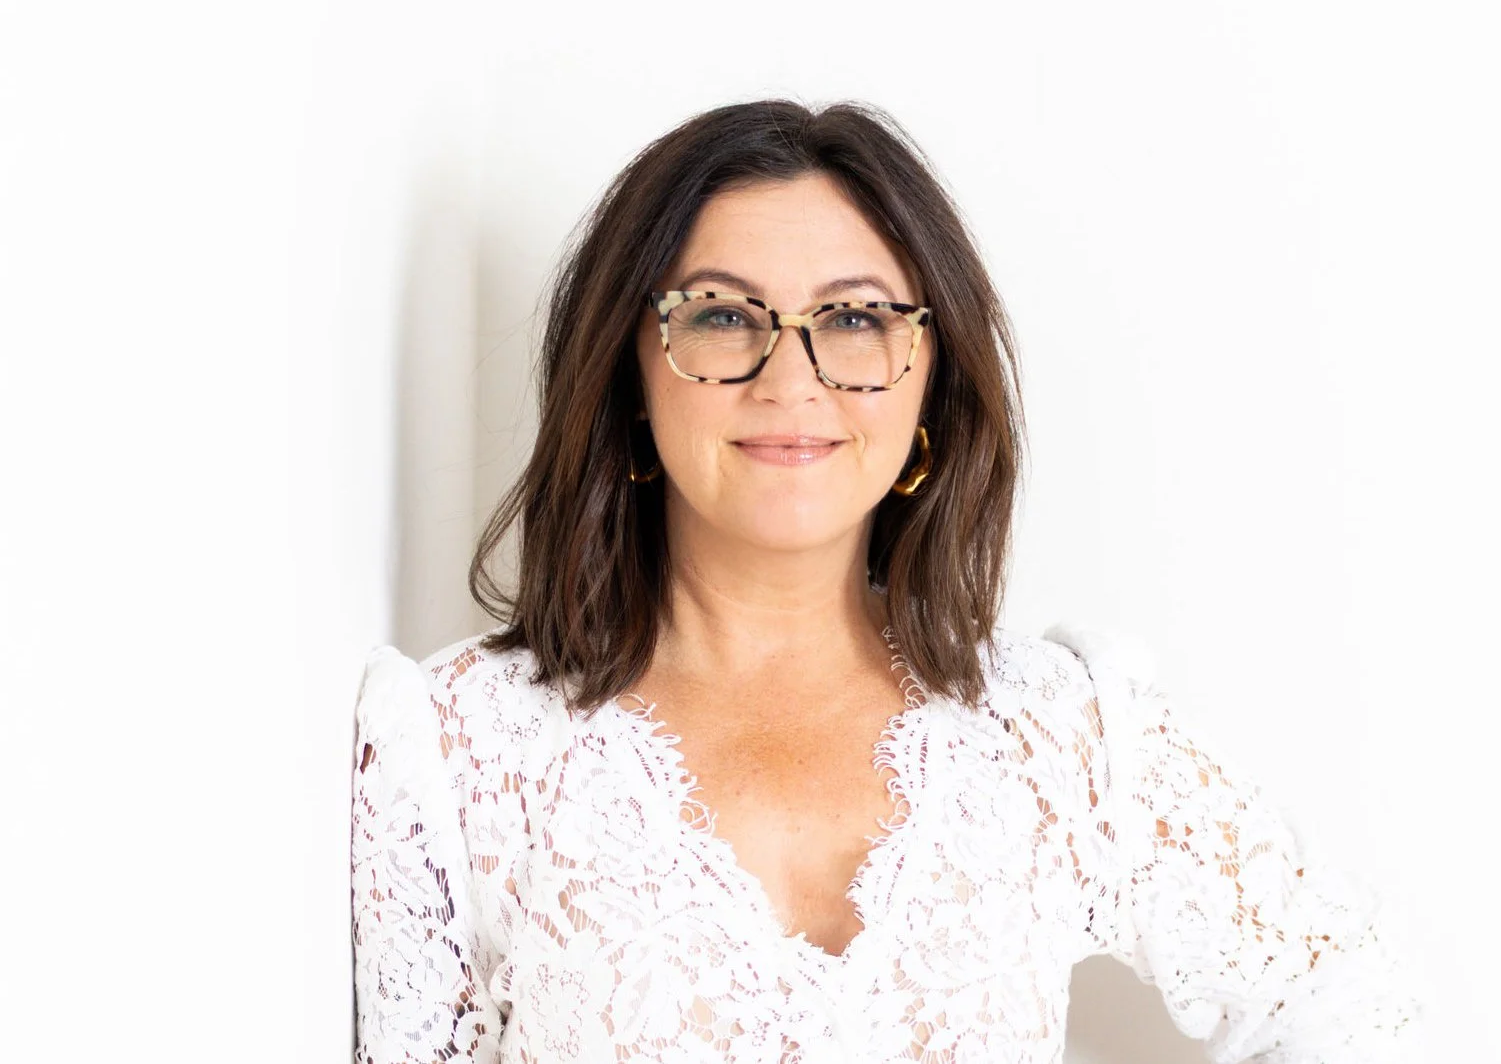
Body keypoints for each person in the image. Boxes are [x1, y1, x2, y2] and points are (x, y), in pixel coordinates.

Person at [350, 100, 1425, 1062]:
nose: (790, 377)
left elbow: (1347, 997)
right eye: (723, 313)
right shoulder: (454, 756)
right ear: (630, 368)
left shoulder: (1058, 742)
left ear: (928, 375)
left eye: (854, 319)